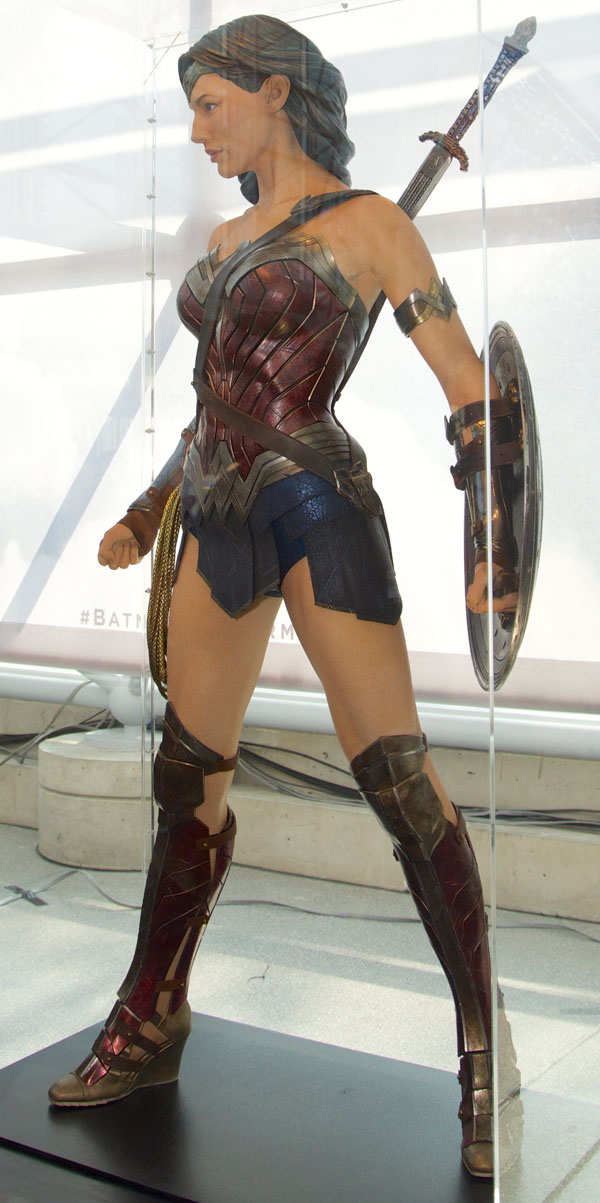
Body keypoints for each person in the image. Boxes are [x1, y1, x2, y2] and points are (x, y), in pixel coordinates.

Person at [48, 14, 520, 1180]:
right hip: (216, 510)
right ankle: (152, 1014)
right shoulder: (225, 239)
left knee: (397, 778)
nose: (197, 131)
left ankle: (480, 1044)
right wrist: (147, 507)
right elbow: (216, 402)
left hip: (315, 508)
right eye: (192, 110)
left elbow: (472, 396)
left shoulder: (372, 228)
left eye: (212, 105)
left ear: (275, 92)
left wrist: (492, 537)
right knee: (186, 779)